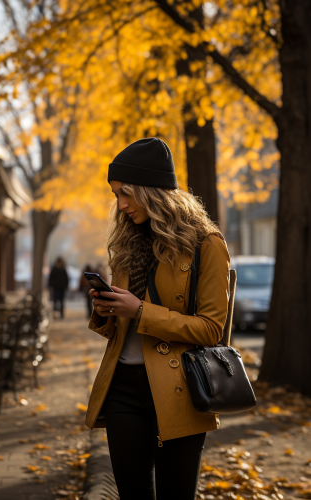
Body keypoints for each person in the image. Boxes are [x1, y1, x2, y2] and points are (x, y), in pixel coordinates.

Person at [86, 138, 230, 499]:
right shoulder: (127, 241)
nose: (120, 205)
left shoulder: (206, 244)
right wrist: (106, 309)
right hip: (122, 388)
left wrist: (139, 311)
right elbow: (121, 327)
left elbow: (212, 329)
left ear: (152, 191)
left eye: (126, 194)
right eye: (116, 194)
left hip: (179, 388)